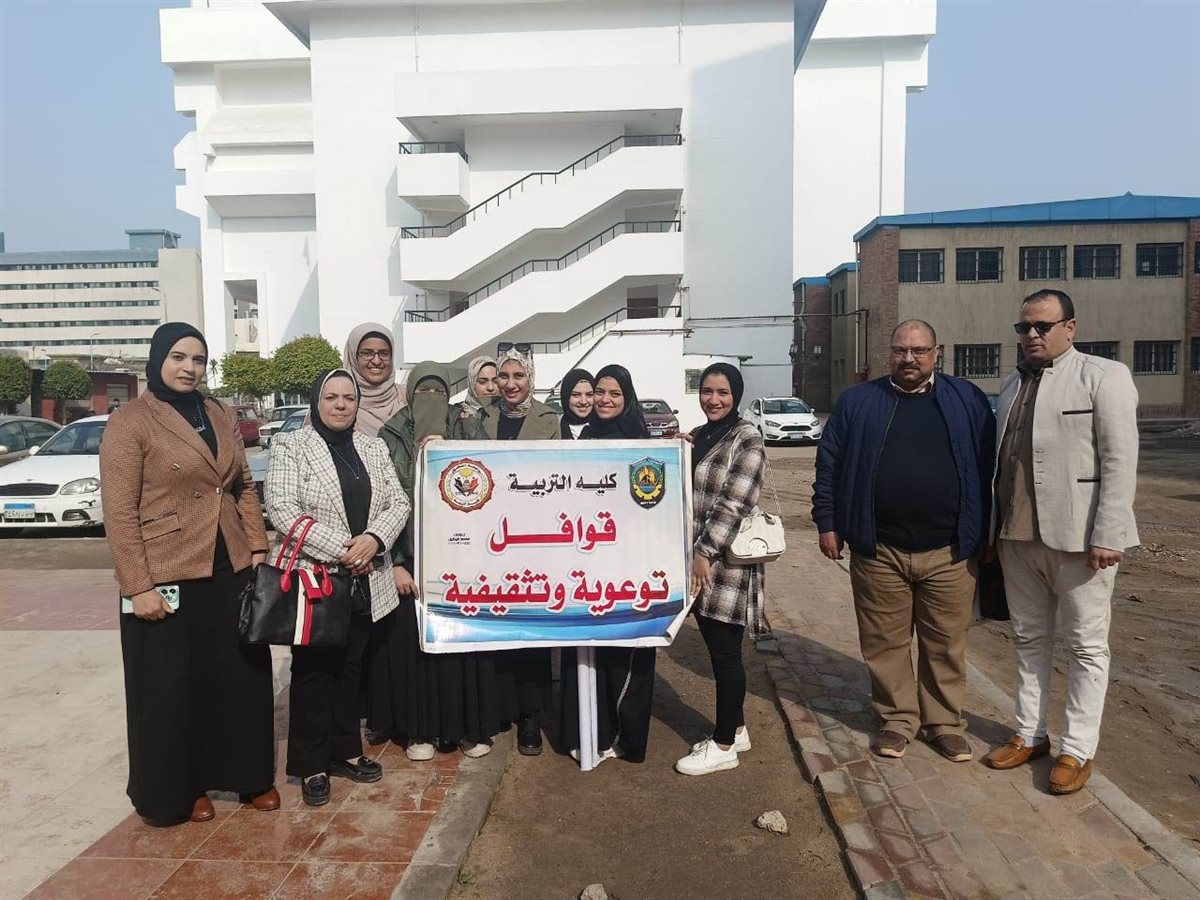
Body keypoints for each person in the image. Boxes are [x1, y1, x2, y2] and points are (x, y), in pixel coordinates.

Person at [100, 322, 278, 825]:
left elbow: (243, 485)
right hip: (166, 571)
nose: (189, 368)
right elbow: (119, 512)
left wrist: (257, 546)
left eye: (198, 359)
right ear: (158, 358)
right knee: (172, 687)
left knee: (240, 676)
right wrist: (138, 585)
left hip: (229, 565)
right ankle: (185, 785)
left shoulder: (218, 412)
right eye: (178, 357)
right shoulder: (131, 421)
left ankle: (248, 774)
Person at [812, 321, 995, 763]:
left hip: (950, 551)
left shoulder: (967, 399)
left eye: (919, 350)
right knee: (884, 643)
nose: (908, 359)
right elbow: (828, 464)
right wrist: (828, 522)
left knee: (945, 644)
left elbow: (990, 468)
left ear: (937, 352)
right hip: (880, 550)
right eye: (900, 350)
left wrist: (986, 531)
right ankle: (896, 720)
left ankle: (944, 724)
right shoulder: (858, 401)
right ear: (889, 353)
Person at [982, 290, 1138, 795]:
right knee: (1028, 638)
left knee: (1086, 646)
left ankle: (1077, 749)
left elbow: (1120, 460)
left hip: (1081, 540)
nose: (1031, 335)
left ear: (1070, 327)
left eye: (1042, 326)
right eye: (1024, 327)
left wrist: (1109, 533)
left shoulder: (1103, 376)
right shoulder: (1011, 384)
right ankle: (1029, 734)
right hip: (1017, 536)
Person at [266, 369, 410, 807]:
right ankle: (311, 763)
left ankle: (346, 749)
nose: (341, 405)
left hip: (366, 577)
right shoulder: (291, 445)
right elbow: (282, 508)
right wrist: (346, 549)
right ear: (317, 401)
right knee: (314, 672)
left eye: (349, 398)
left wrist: (374, 540)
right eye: (331, 397)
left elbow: (398, 501)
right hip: (318, 577)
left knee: (351, 668)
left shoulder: (372, 446)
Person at [376, 362, 511, 760]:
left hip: (463, 562)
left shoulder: (466, 425)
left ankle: (468, 729)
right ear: (409, 393)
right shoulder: (391, 434)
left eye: (438, 392)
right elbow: (381, 501)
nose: (431, 399)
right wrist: (395, 562)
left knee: (463, 647)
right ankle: (420, 732)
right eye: (423, 392)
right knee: (417, 652)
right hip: (412, 562)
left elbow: (491, 481)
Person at [458, 345, 559, 754]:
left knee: (530, 629)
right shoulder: (478, 416)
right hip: (489, 538)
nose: (511, 384)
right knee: (495, 625)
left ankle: (530, 717)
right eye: (504, 376)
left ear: (530, 378)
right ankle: (499, 708)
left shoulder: (549, 419)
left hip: (533, 537)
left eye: (519, 376)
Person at [674, 363, 769, 776]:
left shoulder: (747, 439)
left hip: (723, 563)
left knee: (726, 652)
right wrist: (678, 449)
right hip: (697, 558)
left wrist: (705, 551)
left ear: (737, 396)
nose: (713, 400)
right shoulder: (700, 434)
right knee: (717, 648)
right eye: (708, 391)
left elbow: (736, 502)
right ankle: (739, 728)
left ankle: (724, 744)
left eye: (723, 393)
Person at [561, 364, 656, 765]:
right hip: (584, 562)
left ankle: (625, 737)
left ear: (627, 397)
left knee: (625, 652)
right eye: (599, 391)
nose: (603, 399)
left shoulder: (641, 442)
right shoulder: (584, 439)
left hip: (628, 567)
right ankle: (589, 733)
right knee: (585, 650)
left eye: (614, 393)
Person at [342, 323, 406, 437]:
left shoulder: (407, 398)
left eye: (384, 353)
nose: (376, 361)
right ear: (353, 357)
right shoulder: (337, 404)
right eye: (367, 353)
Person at [456, 355, 499, 421]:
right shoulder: (455, 415)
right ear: (472, 383)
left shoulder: (511, 413)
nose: (490, 387)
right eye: (482, 382)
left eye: (496, 381)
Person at [558, 368, 595, 439]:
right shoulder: (553, 428)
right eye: (576, 395)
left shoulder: (605, 428)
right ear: (566, 397)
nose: (583, 401)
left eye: (589, 395)